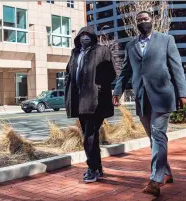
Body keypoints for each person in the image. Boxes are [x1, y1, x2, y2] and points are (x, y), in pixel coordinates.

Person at [112, 11, 186, 197]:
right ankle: (167, 172)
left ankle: (155, 179)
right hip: (141, 97)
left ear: (152, 21)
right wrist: (117, 90)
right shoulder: (130, 45)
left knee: (158, 135)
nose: (142, 22)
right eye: (139, 20)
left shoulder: (166, 40)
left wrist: (182, 92)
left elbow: (176, 66)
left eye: (145, 19)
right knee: (153, 138)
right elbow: (126, 71)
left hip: (163, 95)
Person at [64, 26, 116, 183]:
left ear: (93, 37)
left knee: (89, 136)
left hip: (96, 101)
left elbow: (111, 73)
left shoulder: (102, 50)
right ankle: (97, 166)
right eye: (82, 35)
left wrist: (99, 87)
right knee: (89, 135)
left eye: (88, 35)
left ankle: (92, 168)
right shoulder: (75, 53)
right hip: (79, 101)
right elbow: (68, 73)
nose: (84, 37)